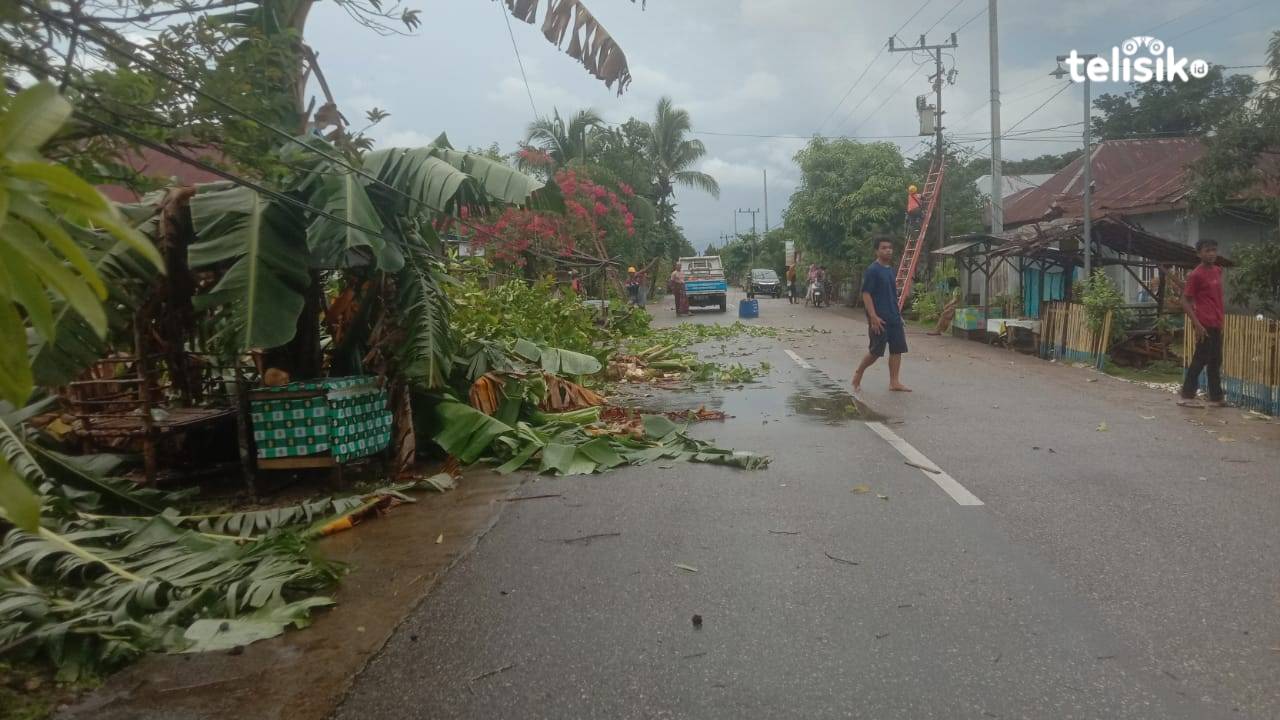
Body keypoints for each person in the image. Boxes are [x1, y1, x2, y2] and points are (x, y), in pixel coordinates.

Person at [852, 236, 910, 393]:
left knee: (897, 349)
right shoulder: (873, 270)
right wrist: (873, 317)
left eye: (890, 247)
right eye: (884, 247)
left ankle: (894, 382)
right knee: (875, 352)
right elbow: (866, 294)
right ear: (877, 251)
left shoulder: (890, 270)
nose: (888, 250)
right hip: (879, 318)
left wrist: (898, 315)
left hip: (894, 317)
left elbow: (892, 294)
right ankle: (859, 372)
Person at [1179, 238, 1226, 408]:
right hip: (1204, 322)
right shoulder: (1196, 274)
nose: (1211, 253)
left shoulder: (1217, 270)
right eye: (1207, 250)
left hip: (1216, 321)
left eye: (1214, 250)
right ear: (1199, 253)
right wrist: (1197, 324)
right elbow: (1184, 301)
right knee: (1200, 358)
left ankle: (1216, 397)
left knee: (1215, 359)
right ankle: (1186, 395)